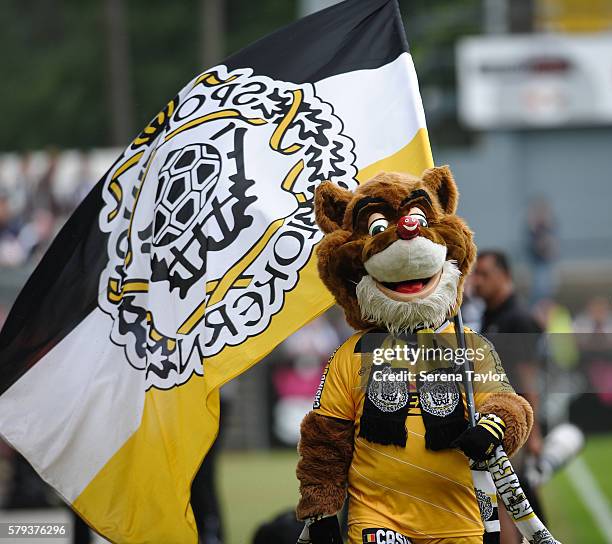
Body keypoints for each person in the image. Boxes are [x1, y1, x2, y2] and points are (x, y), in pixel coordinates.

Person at [472, 250, 545, 544]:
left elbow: (529, 380)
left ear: (505, 276)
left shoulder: (518, 318)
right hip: (494, 422)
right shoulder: (491, 314)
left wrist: (534, 434)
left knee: (506, 499)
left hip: (514, 426)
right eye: (476, 274)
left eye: (484, 274)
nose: (477, 281)